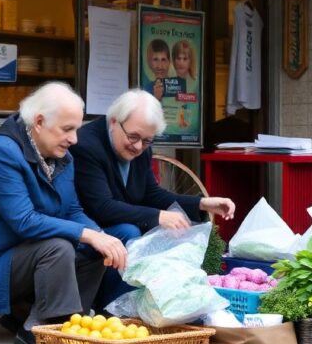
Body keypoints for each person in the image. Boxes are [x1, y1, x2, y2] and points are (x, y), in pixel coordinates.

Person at [0, 82, 128, 344]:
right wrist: (89, 234)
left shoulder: (63, 157)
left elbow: (72, 211)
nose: (75, 139)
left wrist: (101, 237)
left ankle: (64, 323)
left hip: (17, 256)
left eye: (77, 129)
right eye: (67, 129)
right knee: (59, 246)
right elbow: (23, 220)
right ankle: (44, 329)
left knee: (93, 246)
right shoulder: (1, 153)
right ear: (39, 122)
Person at [70, 89, 235, 308]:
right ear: (113, 122)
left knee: (167, 231)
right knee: (130, 233)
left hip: (116, 225)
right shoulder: (87, 145)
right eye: (133, 137)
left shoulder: (141, 149)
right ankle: (110, 307)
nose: (138, 146)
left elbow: (151, 194)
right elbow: (102, 207)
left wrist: (202, 203)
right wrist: (158, 216)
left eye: (147, 141)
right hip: (86, 231)